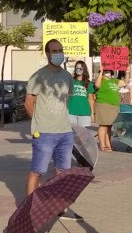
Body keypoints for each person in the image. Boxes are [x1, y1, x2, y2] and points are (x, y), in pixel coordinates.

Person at [24, 39, 74, 197]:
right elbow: (28, 104)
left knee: (63, 172)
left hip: (65, 132)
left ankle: (59, 204)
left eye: (61, 50)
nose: (59, 54)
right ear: (47, 54)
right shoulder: (38, 76)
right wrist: (38, 123)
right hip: (44, 133)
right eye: (55, 51)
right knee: (37, 171)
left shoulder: (67, 76)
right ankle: (30, 206)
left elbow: (67, 100)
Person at [94, 70, 120, 151]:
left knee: (109, 126)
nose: (107, 72)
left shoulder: (114, 80)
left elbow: (125, 83)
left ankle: (108, 144)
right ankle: (102, 145)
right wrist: (101, 72)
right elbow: (97, 85)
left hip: (114, 106)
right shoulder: (100, 79)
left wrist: (128, 72)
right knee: (103, 125)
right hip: (103, 105)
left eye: (108, 71)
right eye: (106, 71)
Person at [68, 61, 95, 127]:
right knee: (71, 135)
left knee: (84, 136)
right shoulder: (70, 81)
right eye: (76, 68)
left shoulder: (89, 84)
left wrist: (92, 113)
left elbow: (91, 99)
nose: (78, 70)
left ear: (84, 69)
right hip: (71, 112)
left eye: (80, 68)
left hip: (84, 113)